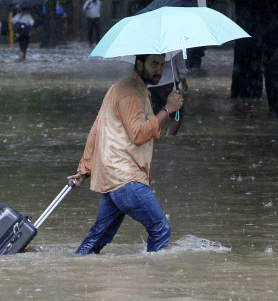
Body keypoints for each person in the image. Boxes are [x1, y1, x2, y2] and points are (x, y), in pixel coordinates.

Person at [68, 54, 184, 255]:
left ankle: (77, 270)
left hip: (114, 175)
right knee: (161, 230)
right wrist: (167, 109)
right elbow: (138, 135)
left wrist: (84, 169)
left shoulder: (123, 87)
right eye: (153, 64)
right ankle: (150, 281)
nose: (158, 70)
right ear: (139, 64)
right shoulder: (131, 93)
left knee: (98, 238)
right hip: (126, 176)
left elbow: (97, 129)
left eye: (162, 65)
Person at [147, 51, 188, 136]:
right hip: (169, 82)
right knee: (177, 113)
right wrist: (183, 76)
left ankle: (155, 139)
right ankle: (169, 137)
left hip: (150, 84)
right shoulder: (171, 41)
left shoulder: (144, 43)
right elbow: (179, 58)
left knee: (155, 114)